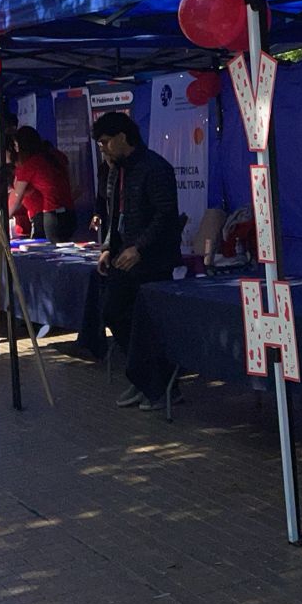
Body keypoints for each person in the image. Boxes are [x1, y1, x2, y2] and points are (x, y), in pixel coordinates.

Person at [93, 112, 181, 410]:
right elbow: (111, 213)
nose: (102, 148)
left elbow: (165, 214)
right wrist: (107, 247)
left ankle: (161, 386)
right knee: (113, 311)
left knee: (151, 323)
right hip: (122, 255)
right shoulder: (115, 171)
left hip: (151, 259)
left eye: (105, 142)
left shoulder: (155, 168)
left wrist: (139, 248)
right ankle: (143, 376)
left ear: (121, 137)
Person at [9, 126, 75, 241]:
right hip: (69, 213)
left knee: (50, 253)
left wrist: (0, 220)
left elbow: (15, 200)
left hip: (52, 214)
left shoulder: (30, 165)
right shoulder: (55, 155)